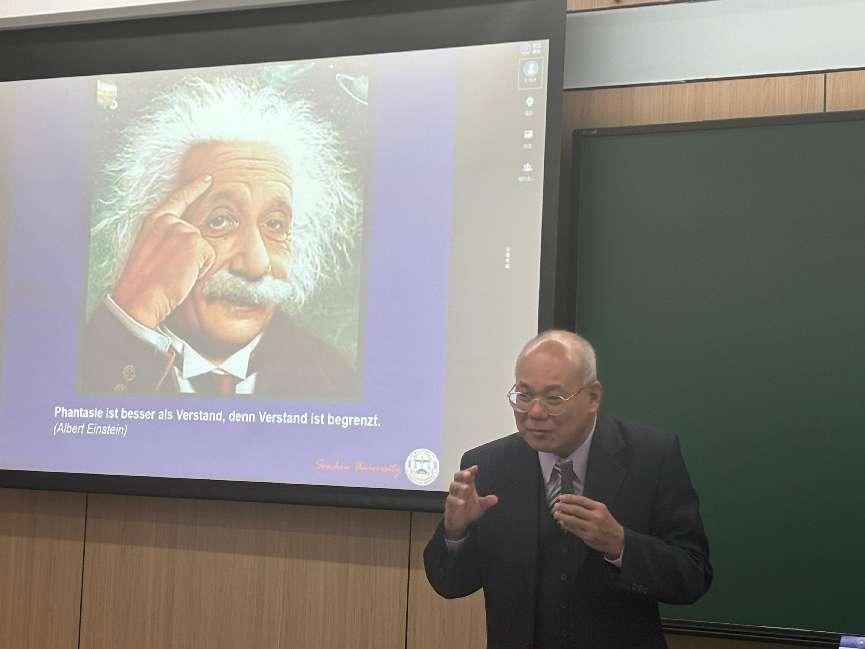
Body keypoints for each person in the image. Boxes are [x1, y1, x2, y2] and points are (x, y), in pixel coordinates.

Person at [424, 330, 712, 649]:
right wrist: (455, 532)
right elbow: (451, 584)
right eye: (524, 395)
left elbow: (693, 576)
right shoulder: (487, 466)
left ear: (593, 397)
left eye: (554, 399)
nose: (535, 412)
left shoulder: (651, 457)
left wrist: (620, 544)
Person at [81, 77, 361, 397]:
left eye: (275, 225)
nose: (256, 265)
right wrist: (133, 320)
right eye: (220, 221)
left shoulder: (337, 381)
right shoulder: (79, 362)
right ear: (154, 237)